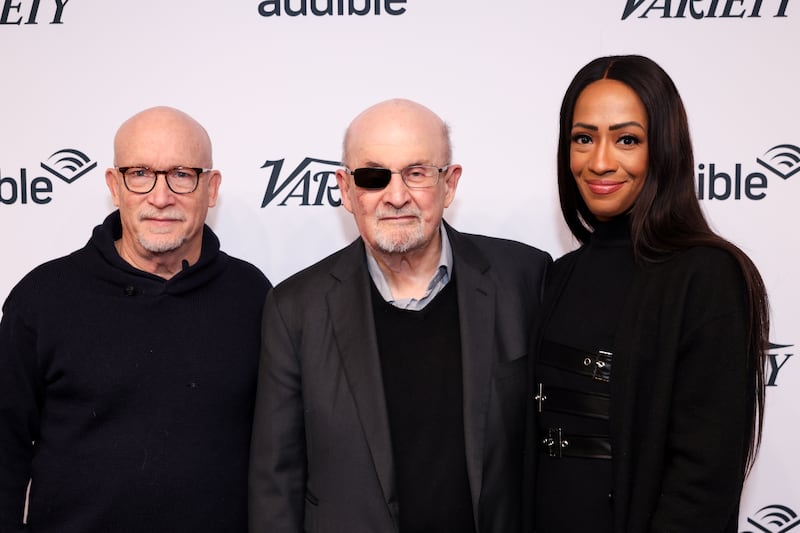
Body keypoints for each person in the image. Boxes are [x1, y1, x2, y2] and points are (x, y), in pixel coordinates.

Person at [248, 98, 550, 533]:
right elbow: (275, 484)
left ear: (449, 183)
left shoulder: (523, 278)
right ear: (346, 189)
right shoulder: (295, 308)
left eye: (417, 173)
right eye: (373, 177)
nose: (396, 196)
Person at [0, 106, 272, 532]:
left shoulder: (252, 295)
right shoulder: (42, 298)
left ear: (211, 187)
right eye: (140, 173)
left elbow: (280, 452)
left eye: (182, 174)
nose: (160, 197)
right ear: (115, 185)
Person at [534, 55, 769, 533]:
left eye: (627, 140)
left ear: (663, 148)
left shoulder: (708, 275)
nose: (600, 161)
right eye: (583, 138)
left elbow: (703, 481)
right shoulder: (559, 275)